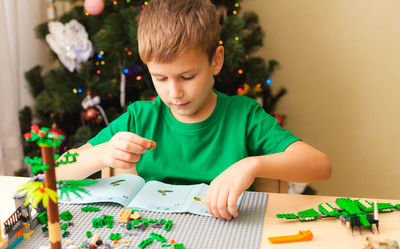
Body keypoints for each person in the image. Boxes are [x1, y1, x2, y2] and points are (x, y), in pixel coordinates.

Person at [56, 0, 331, 220]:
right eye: (160, 79)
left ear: (216, 61)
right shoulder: (141, 117)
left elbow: (320, 165)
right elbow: (56, 172)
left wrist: (252, 164)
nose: (174, 93)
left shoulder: (243, 116)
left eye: (187, 77)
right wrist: (101, 154)